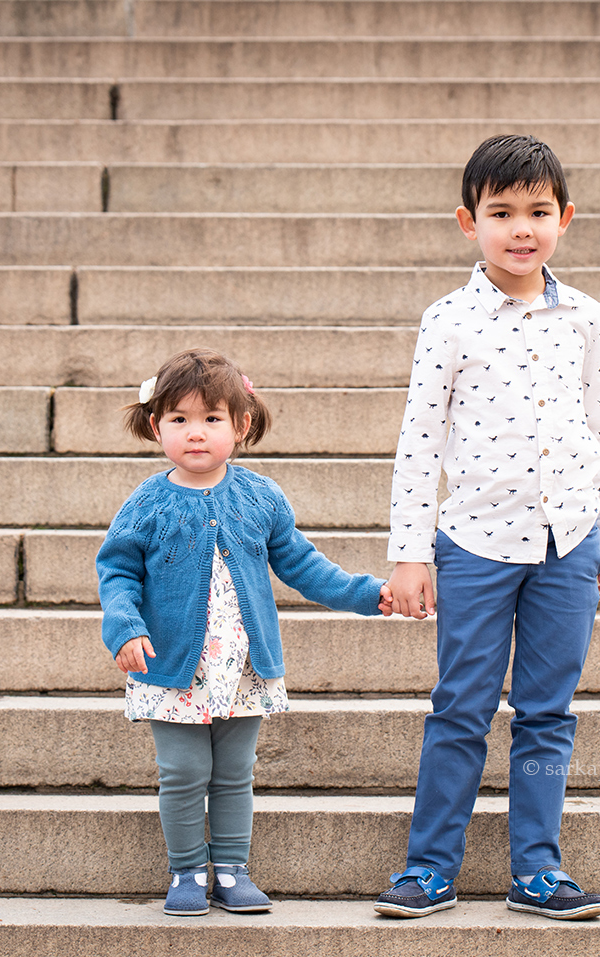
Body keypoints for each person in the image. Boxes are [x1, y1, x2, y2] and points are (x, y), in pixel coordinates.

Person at [373, 134, 600, 920]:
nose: (523, 228)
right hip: (476, 545)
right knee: (461, 706)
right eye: (503, 212)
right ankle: (429, 867)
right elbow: (419, 438)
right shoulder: (447, 322)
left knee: (548, 711)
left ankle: (538, 870)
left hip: (568, 542)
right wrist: (410, 554)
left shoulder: (583, 316)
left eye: (539, 212)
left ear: (566, 218)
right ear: (468, 221)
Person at [98, 347, 397, 916]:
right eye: (180, 420)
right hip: (171, 665)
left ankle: (232, 869)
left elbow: (304, 566)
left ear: (241, 425)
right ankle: (187, 870)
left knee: (234, 772)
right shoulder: (147, 503)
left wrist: (367, 593)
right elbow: (116, 572)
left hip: (243, 666)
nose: (196, 434)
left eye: (212, 419)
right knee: (184, 772)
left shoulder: (261, 497)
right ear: (155, 425)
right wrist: (125, 628)